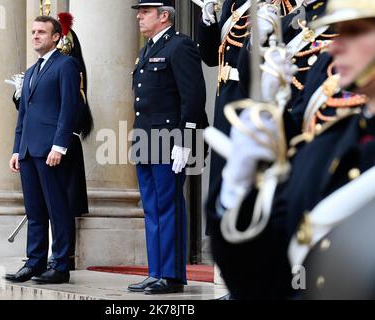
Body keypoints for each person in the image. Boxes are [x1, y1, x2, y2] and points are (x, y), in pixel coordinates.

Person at [208, 0, 375, 299]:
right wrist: (237, 193)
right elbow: (261, 280)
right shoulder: (329, 144)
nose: (336, 46)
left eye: (355, 32)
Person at [127, 0, 207, 295]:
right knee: (151, 208)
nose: (139, 17)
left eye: (145, 12)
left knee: (168, 205)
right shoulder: (147, 49)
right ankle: (156, 271)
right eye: (139, 12)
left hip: (170, 140)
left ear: (164, 16)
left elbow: (194, 96)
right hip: (146, 138)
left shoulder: (179, 46)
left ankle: (171, 275)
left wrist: (187, 140)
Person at [5, 15, 84, 284]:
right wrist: (17, 149)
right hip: (28, 151)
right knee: (35, 210)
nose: (35, 36)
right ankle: (35, 261)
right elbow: (23, 116)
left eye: (42, 32)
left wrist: (59, 146)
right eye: (33, 32)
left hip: (52, 150)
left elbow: (69, 108)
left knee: (58, 208)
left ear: (55, 37)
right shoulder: (30, 72)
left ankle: (61, 264)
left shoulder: (66, 65)